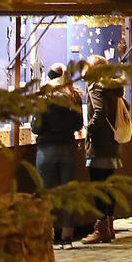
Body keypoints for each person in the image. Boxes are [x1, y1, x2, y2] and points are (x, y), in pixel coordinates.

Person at [81, 55, 132, 245]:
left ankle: (101, 229)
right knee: (109, 186)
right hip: (112, 144)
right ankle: (109, 226)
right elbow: (124, 107)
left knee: (98, 187)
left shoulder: (96, 86)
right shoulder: (113, 87)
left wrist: (89, 130)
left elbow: (99, 112)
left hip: (99, 145)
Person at [31, 64, 84, 246]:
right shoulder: (74, 96)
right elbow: (78, 124)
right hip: (67, 147)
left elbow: (36, 127)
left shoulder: (44, 96)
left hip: (46, 149)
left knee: (46, 193)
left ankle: (49, 233)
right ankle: (67, 233)